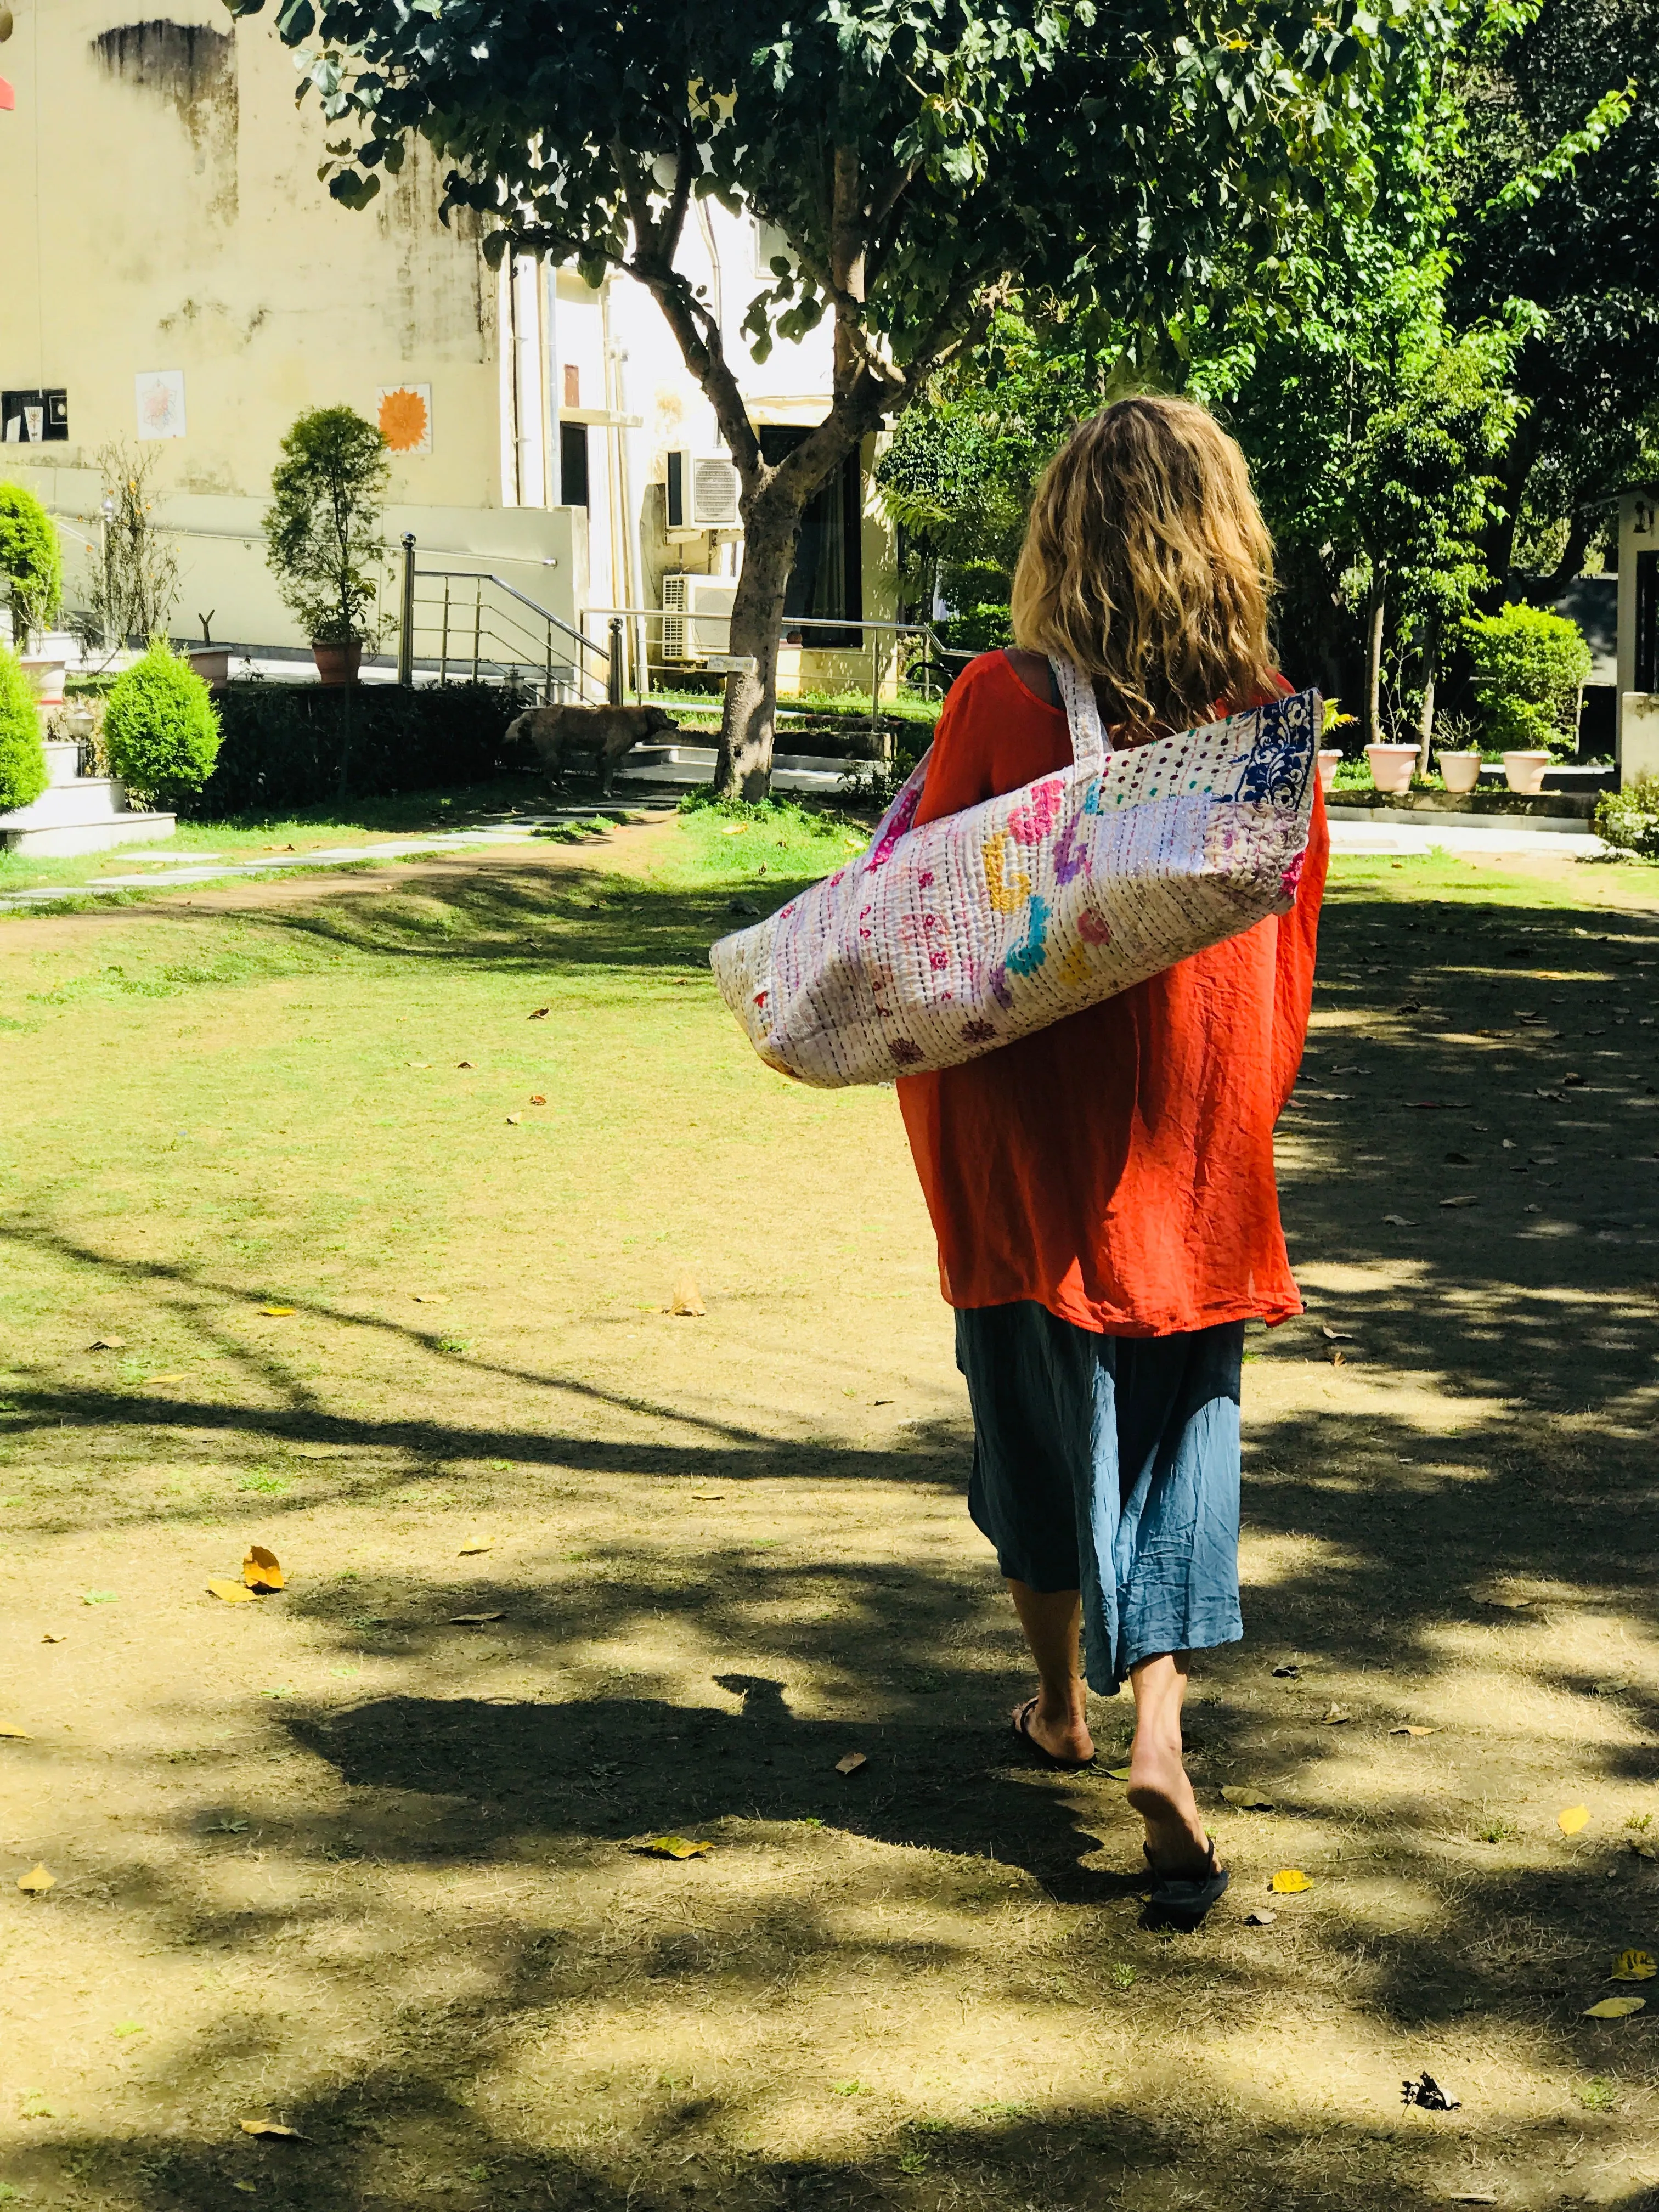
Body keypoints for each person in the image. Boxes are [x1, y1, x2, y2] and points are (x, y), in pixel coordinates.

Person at [895, 395, 1328, 1929]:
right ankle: (1156, 1727)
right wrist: (1231, 1129)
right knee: (1177, 1430)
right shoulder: (1269, 726)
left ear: (1061, 536)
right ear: (1227, 539)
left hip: (1027, 1143)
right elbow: (1291, 964)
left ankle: (1059, 1708)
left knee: (1031, 1425)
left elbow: (930, 939)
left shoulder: (1001, 704)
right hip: (1193, 1145)